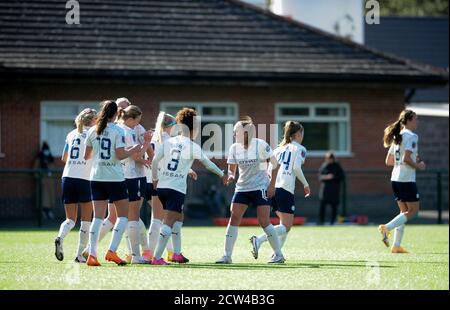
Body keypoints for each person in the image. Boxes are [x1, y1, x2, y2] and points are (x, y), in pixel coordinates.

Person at [151, 108, 227, 265]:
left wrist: (155, 179)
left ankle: (177, 254)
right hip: (176, 189)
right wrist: (222, 174)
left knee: (179, 218)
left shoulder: (168, 142)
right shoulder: (192, 146)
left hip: (163, 186)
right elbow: (209, 164)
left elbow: (155, 161)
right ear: (194, 128)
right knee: (168, 223)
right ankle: (157, 258)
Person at [84, 100, 150, 266]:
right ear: (115, 114)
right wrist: (134, 149)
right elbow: (120, 155)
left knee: (97, 217)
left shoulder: (92, 130)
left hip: (96, 177)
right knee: (123, 216)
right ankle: (112, 251)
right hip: (114, 177)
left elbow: (87, 156)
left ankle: (92, 254)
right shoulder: (118, 130)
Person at [216, 116, 285, 264]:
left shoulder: (260, 145)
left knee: (264, 221)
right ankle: (227, 256)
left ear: (246, 133)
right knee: (233, 219)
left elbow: (275, 164)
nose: (234, 135)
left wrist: (272, 185)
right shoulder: (234, 148)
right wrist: (228, 177)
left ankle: (278, 255)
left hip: (260, 187)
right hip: (242, 188)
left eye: (236, 132)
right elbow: (232, 171)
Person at [250, 121, 310, 259]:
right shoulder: (300, 149)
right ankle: (258, 240)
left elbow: (268, 170)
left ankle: (276, 254)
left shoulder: (277, 150)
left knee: (284, 226)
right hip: (285, 189)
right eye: (302, 133)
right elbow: (295, 168)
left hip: (272, 188)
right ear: (298, 134)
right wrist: (306, 184)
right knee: (286, 226)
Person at [146, 112, 197, 263]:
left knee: (171, 218)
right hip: (161, 182)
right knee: (159, 220)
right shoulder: (169, 140)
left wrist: (188, 170)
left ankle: (174, 252)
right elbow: (170, 161)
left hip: (148, 179)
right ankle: (151, 254)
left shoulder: (153, 136)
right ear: (172, 126)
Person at [379, 109, 425, 253]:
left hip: (395, 178)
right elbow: (406, 158)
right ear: (409, 120)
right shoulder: (412, 136)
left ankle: (396, 245)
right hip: (406, 179)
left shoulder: (397, 137)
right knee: (413, 211)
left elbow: (389, 161)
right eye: (416, 119)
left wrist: (410, 161)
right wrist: (418, 166)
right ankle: (387, 228)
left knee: (403, 212)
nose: (417, 121)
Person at [54, 108, 97, 263]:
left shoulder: (71, 134)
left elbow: (64, 158)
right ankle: (79, 255)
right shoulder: (94, 134)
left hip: (67, 177)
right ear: (93, 120)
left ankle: (60, 237)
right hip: (85, 179)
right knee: (86, 221)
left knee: (70, 220)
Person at [117, 105, 152, 264]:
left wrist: (144, 158)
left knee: (124, 217)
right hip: (131, 176)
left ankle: (134, 253)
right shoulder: (128, 131)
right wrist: (146, 142)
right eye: (138, 119)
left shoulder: (118, 128)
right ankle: (136, 255)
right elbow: (135, 154)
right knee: (132, 217)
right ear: (131, 118)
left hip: (120, 176)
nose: (139, 123)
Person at [318, 152, 345, 225]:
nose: (329, 160)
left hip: (334, 190)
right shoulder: (324, 166)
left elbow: (342, 176)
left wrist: (333, 177)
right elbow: (320, 177)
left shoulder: (337, 166)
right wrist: (326, 177)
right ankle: (321, 221)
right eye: (328, 159)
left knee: (334, 207)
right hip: (325, 190)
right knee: (322, 206)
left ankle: (332, 221)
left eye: (330, 159)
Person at [33, 141, 56, 220]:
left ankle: (49, 211)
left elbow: (53, 168)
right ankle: (42, 212)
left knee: (50, 198)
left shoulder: (50, 158)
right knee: (43, 198)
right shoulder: (39, 158)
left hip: (50, 181)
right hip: (42, 181)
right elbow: (35, 169)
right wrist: (39, 178)